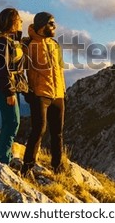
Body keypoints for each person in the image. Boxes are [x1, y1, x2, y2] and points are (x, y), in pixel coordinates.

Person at [22, 11, 66, 175]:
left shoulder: (55, 45)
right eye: (51, 23)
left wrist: (63, 91)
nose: (54, 26)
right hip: (39, 93)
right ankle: (27, 167)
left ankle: (57, 166)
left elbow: (60, 69)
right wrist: (27, 91)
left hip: (58, 94)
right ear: (41, 26)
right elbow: (20, 69)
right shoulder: (29, 45)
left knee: (57, 133)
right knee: (38, 130)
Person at [0, 7, 28, 164]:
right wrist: (10, 92)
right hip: (4, 88)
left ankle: (4, 156)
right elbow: (1, 68)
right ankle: (3, 159)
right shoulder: (1, 42)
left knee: (9, 122)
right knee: (13, 122)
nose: (22, 22)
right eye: (19, 20)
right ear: (13, 21)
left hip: (9, 87)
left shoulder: (9, 40)